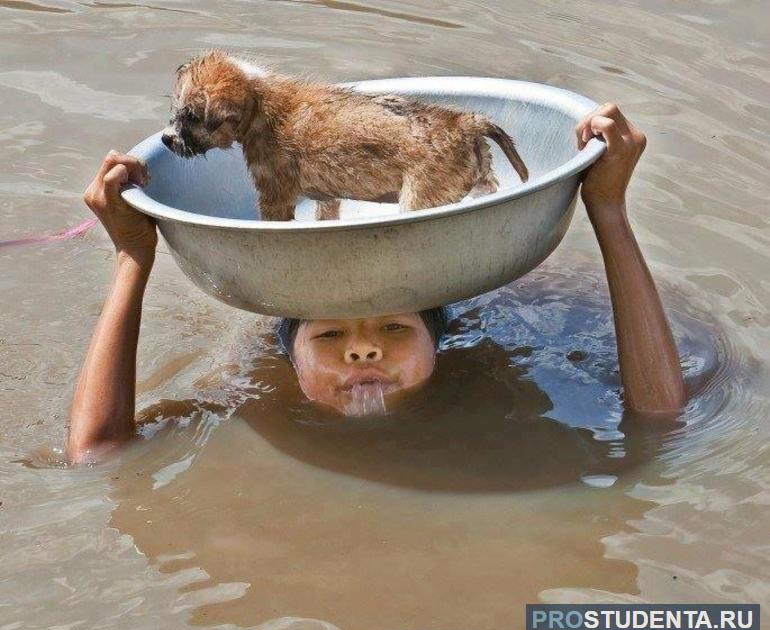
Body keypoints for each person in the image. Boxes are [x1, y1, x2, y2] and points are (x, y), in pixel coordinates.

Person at [67, 103, 686, 464]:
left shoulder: (496, 374)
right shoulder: (252, 398)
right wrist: (132, 258)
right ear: (289, 356)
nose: (363, 350)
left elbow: (661, 419)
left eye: (395, 327)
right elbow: (96, 453)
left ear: (441, 340)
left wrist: (608, 209)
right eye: (330, 333)